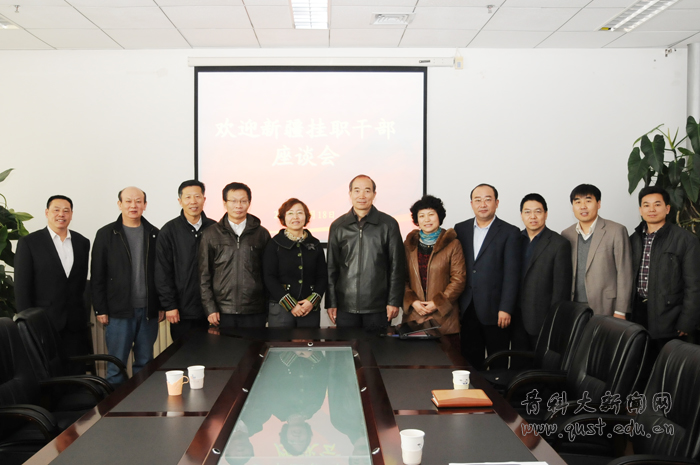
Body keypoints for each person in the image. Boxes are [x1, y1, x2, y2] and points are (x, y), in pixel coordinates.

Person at [91, 187, 163, 386]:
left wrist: (161, 305)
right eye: (128, 201)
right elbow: (97, 274)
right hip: (118, 310)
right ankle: (115, 404)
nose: (133, 205)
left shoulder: (154, 234)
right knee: (116, 365)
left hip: (148, 311)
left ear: (145, 205)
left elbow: (161, 274)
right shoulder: (106, 234)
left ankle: (143, 400)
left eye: (138, 201)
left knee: (145, 362)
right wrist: (100, 308)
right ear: (119, 204)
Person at [14, 195, 91, 373]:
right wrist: (26, 323)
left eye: (66, 211)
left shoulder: (82, 242)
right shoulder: (29, 242)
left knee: (76, 373)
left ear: (71, 214)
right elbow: (22, 287)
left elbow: (79, 284)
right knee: (48, 375)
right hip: (43, 322)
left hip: (75, 323)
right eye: (56, 210)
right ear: (47, 213)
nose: (61, 214)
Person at [454, 183, 521, 370]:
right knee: (469, 364)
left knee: (497, 363)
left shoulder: (510, 232)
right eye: (478, 200)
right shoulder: (461, 229)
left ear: (496, 203)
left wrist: (506, 308)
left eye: (487, 199)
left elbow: (512, 274)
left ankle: (496, 390)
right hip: (467, 308)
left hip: (496, 311)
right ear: (471, 204)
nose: (482, 204)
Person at [326, 175, 405, 330]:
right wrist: (331, 302)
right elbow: (331, 268)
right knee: (347, 345)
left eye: (367, 191)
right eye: (357, 191)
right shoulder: (338, 226)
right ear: (350, 194)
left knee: (377, 346)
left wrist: (394, 301)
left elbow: (397, 266)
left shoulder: (388, 224)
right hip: (345, 305)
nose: (362, 195)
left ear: (374, 194)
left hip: (379, 306)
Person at [630, 185, 700, 355]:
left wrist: (687, 321)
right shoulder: (633, 239)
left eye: (657, 204)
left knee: (666, 364)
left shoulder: (685, 240)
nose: (651, 209)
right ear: (640, 210)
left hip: (669, 317)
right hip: (637, 314)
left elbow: (694, 285)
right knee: (640, 362)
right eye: (646, 205)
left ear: (667, 209)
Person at [199, 182, 270, 329]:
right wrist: (210, 308)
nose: (239, 205)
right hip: (222, 310)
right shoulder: (210, 234)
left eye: (243, 201)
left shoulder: (261, 233)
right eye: (233, 201)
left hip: (255, 310)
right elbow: (204, 275)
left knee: (255, 345)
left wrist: (268, 309)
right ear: (225, 203)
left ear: (249, 203)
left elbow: (268, 274)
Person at [155, 180, 216, 341]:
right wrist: (170, 306)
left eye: (197, 196)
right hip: (181, 311)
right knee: (183, 353)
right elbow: (162, 272)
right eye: (188, 197)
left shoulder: (215, 229)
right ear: (180, 201)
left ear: (204, 199)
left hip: (211, 311)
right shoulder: (168, 231)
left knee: (213, 353)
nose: (193, 201)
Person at [561, 184, 633, 317]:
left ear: (598, 204)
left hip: (606, 306)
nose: (583, 206)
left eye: (588, 201)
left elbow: (625, 272)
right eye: (578, 202)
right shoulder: (567, 234)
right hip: (574, 306)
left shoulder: (616, 231)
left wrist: (620, 310)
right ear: (572, 206)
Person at [514, 193, 572, 349]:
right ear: (521, 215)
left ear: (546, 214)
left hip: (542, 320)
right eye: (527, 212)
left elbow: (561, 290)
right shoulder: (515, 240)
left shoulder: (559, 244)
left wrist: (553, 322)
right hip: (516, 318)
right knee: (517, 361)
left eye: (538, 211)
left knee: (541, 362)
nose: (532, 216)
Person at [403, 195, 466, 335]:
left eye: (431, 214)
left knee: (446, 350)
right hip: (415, 316)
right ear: (417, 220)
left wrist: (437, 303)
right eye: (422, 216)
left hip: (444, 318)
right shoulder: (408, 245)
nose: (427, 219)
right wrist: (413, 302)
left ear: (439, 216)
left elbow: (459, 279)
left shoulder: (453, 244)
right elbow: (401, 278)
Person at [263, 198, 327, 328]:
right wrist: (291, 304)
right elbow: (269, 277)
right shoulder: (274, 244)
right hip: (280, 308)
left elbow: (322, 276)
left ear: (306, 216)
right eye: (290, 213)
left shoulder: (315, 244)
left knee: (309, 342)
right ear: (283, 218)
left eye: (300, 213)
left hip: (308, 309)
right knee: (280, 342)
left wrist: (312, 301)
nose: (295, 217)